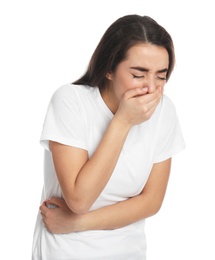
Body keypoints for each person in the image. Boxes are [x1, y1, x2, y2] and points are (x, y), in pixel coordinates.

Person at [32, 14, 185, 260]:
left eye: (161, 76)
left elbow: (151, 201)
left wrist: (77, 223)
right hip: (67, 252)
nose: (151, 88)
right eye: (138, 74)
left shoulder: (164, 111)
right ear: (109, 69)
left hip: (128, 251)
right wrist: (123, 121)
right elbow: (79, 199)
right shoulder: (70, 102)